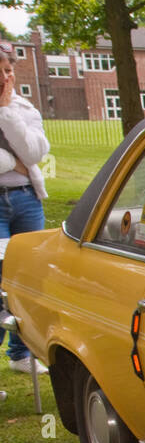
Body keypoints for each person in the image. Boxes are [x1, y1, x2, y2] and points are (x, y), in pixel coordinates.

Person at [0, 40, 50, 375]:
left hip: (26, 200)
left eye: (8, 70)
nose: (7, 78)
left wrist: (4, 111)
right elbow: (17, 158)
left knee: (29, 277)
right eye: (0, 73)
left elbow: (34, 154)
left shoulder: (22, 108)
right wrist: (11, 162)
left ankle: (21, 353)